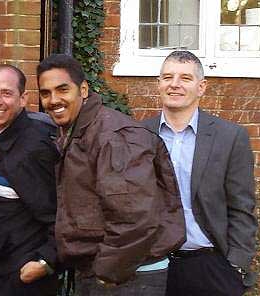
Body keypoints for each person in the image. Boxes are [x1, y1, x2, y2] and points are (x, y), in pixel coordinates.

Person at [37, 54, 184, 295]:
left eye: (63, 89)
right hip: (109, 269)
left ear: (83, 89)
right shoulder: (78, 130)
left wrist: (107, 272)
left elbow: (134, 217)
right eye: (46, 93)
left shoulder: (113, 136)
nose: (54, 100)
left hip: (129, 274)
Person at [140, 51, 257, 296]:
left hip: (210, 266)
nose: (174, 84)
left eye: (185, 78)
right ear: (158, 84)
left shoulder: (229, 137)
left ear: (201, 87)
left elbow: (241, 207)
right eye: (167, 77)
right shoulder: (137, 134)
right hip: (151, 265)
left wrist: (236, 265)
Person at [0, 64, 59, 295]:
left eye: (6, 93)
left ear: (23, 98)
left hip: (24, 274)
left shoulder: (34, 147)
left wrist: (46, 262)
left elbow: (60, 212)